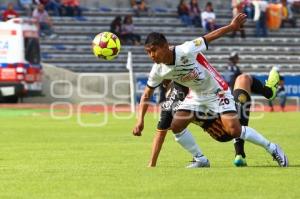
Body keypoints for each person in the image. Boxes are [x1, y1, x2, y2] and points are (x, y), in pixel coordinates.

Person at [132, 13, 288, 168]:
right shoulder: (157, 70)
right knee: (177, 125)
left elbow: (209, 37)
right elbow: (146, 94)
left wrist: (232, 27)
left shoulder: (186, 50)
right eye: (148, 52)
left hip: (216, 91)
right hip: (196, 95)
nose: (151, 55)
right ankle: (200, 159)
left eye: (154, 50)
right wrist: (140, 120)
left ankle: (273, 148)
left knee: (234, 130)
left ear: (165, 46)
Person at [148, 67, 281, 167]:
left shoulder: (169, 103)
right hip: (224, 124)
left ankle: (229, 155)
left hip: (217, 132)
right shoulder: (187, 84)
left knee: (241, 84)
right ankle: (270, 92)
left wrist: (151, 164)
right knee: (244, 79)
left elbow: (161, 133)